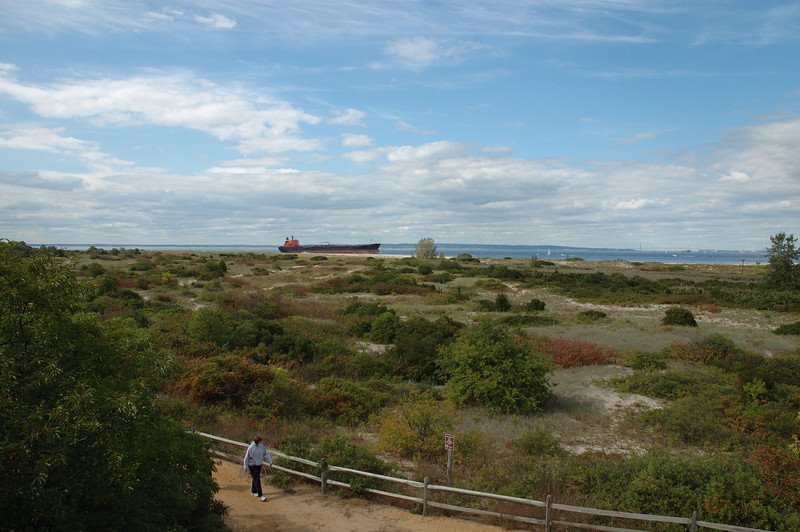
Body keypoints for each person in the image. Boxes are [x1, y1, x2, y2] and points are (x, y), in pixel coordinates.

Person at [243, 436, 273, 502]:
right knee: (257, 480)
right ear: (257, 441)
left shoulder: (261, 446)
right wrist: (245, 466)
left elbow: (266, 454)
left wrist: (270, 461)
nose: (261, 442)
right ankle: (260, 496)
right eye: (260, 441)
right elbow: (246, 457)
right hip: (252, 465)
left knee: (255, 478)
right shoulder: (251, 447)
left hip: (259, 465)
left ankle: (253, 491)